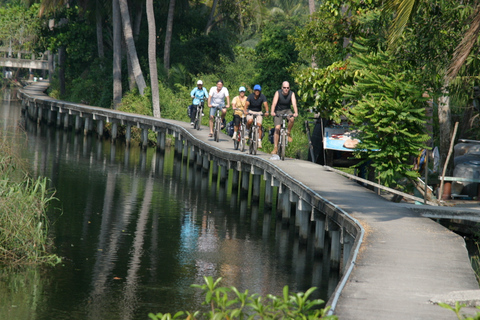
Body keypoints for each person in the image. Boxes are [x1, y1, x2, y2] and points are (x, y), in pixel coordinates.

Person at [270, 81, 298, 154]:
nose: (286, 89)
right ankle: (275, 147)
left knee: (292, 118)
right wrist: (272, 111)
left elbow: (294, 104)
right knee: (277, 128)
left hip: (287, 110)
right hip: (278, 111)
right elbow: (274, 103)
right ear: (282, 88)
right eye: (284, 88)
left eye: (287, 88)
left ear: (289, 88)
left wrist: (296, 112)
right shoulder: (278, 93)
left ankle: (288, 133)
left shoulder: (292, 94)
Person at [245, 84, 269, 149]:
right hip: (250, 111)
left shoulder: (262, 96)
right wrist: (245, 111)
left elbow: (265, 104)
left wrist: (267, 112)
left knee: (259, 125)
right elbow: (247, 103)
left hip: (259, 112)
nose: (257, 92)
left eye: (258, 90)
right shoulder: (250, 96)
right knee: (250, 121)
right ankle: (247, 131)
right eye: (256, 90)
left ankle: (259, 141)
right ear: (254, 91)